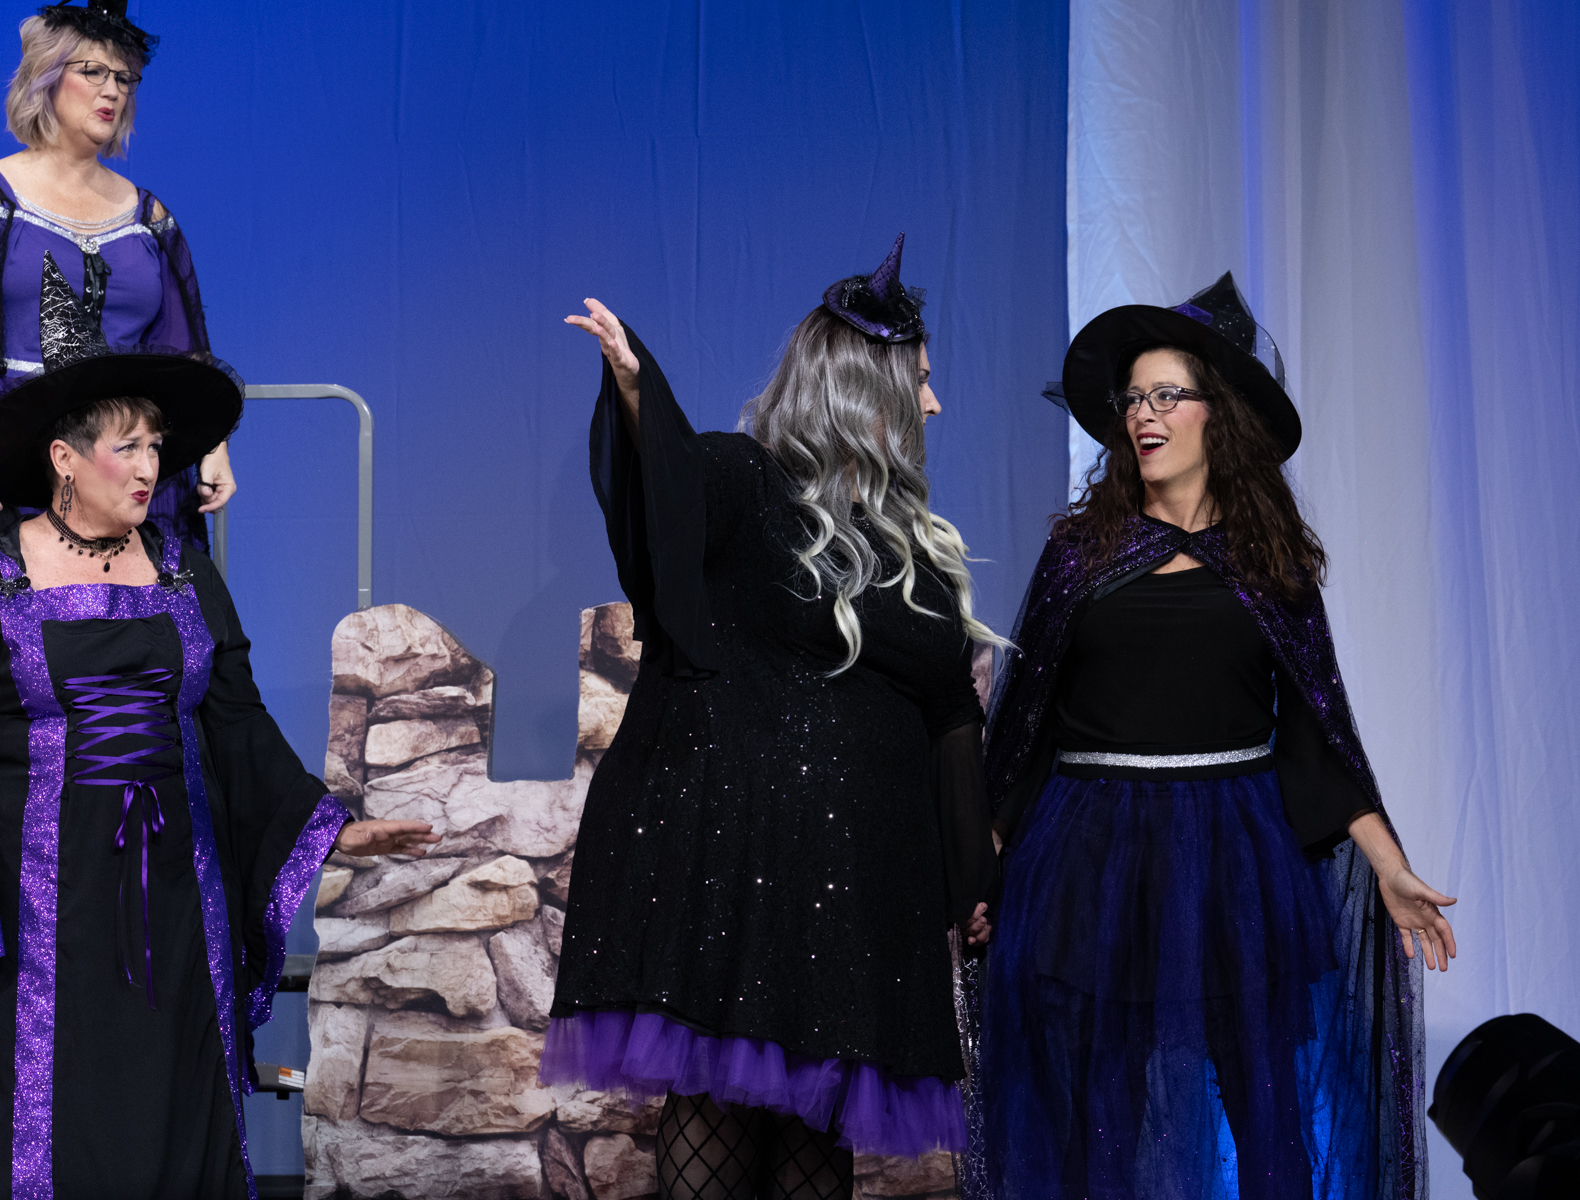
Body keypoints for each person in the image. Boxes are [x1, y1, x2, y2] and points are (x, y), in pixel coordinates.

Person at [976, 274, 1455, 1199]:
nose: (1143, 415)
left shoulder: (1269, 563)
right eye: (1133, 399)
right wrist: (978, 864)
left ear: (1217, 414)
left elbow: (1317, 735)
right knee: (1099, 1116)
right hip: (1093, 857)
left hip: (1233, 855)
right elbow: (1024, 731)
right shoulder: (1079, 553)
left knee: (1268, 1114)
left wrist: (1389, 864)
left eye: (1166, 395)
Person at [542, 234, 1000, 1200]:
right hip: (741, 874)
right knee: (718, 1117)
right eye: (920, 382)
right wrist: (637, 393)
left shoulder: (919, 550)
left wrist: (973, 880)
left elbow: (952, 717)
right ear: (865, 393)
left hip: (854, 895)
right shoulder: (747, 483)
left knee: (813, 1137)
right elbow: (665, 494)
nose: (934, 405)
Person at [0, 251, 437, 1197]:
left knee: (182, 1101)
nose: (151, 469)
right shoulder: (3, 572)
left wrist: (331, 828)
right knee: (63, 1110)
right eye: (128, 449)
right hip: (50, 902)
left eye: (158, 448)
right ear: (64, 458)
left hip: (178, 892)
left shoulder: (183, 568)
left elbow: (236, 719)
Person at [0, 0, 234, 552]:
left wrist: (212, 446)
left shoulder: (147, 216)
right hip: (15, 456)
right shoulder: (3, 199)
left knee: (134, 603)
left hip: (120, 465)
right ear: (46, 76)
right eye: (93, 72)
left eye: (125, 79)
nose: (113, 91)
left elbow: (181, 348)